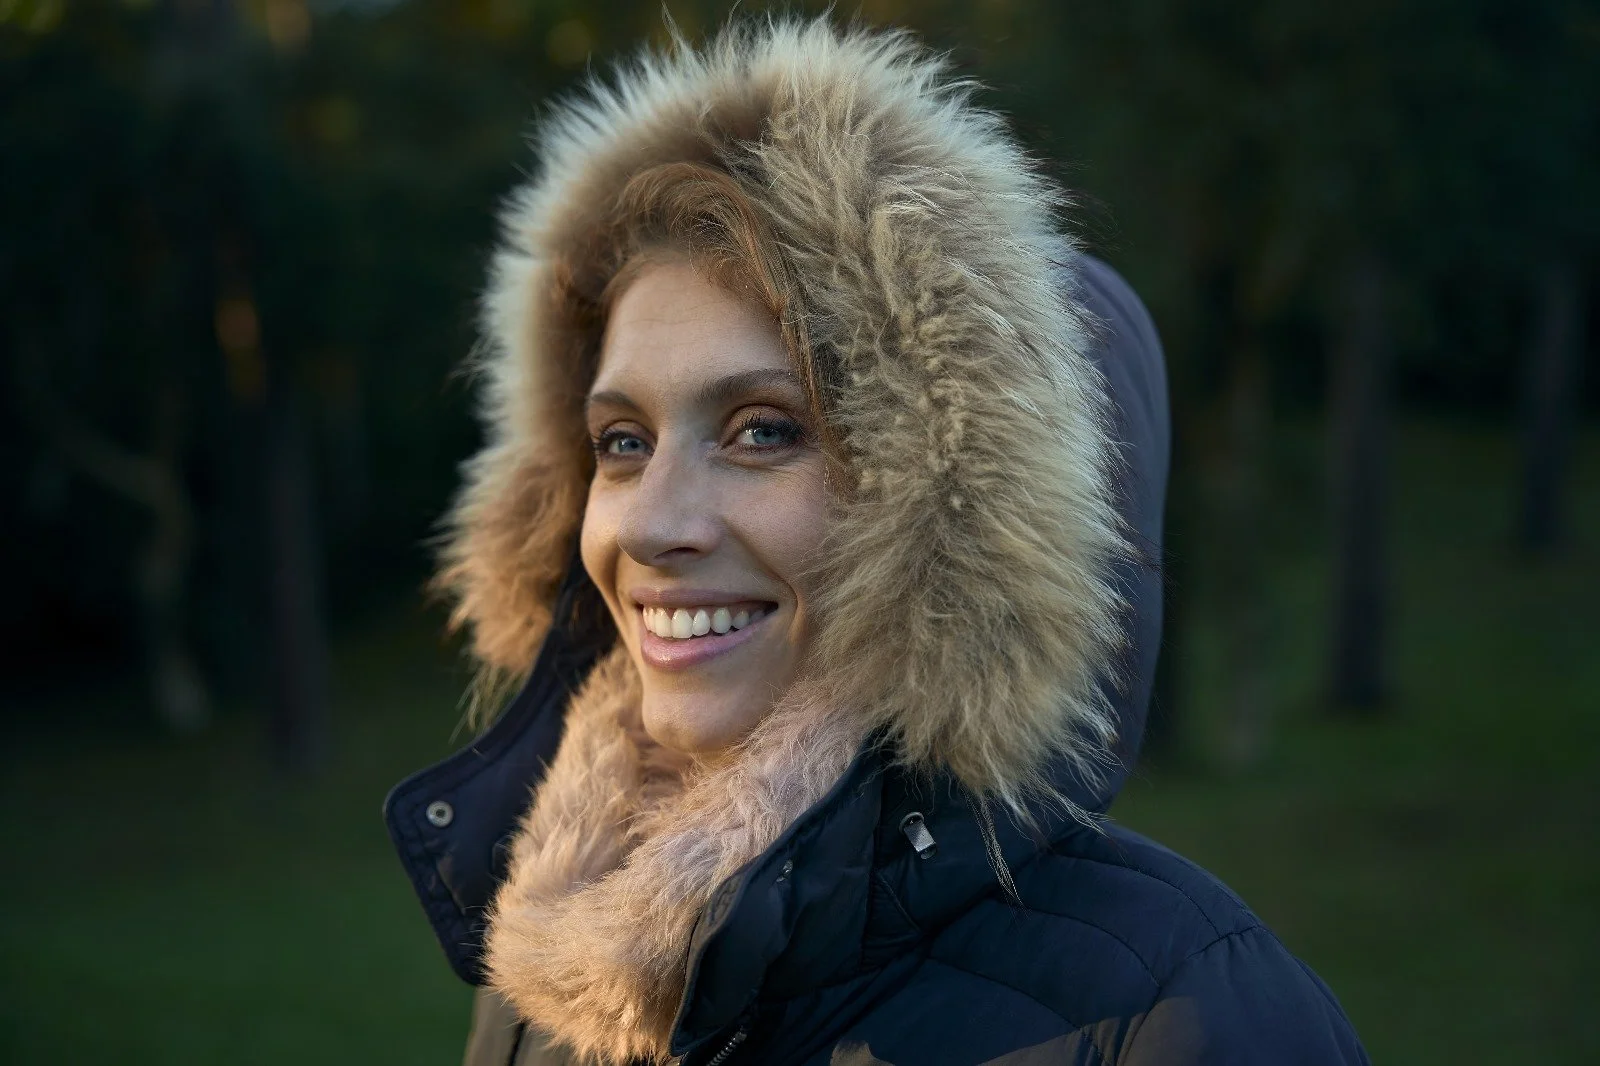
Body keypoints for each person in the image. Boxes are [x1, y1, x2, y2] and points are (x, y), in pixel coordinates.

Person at [385, 19, 1369, 1066]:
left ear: (961, 522)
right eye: (622, 443)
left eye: (764, 430)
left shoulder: (1191, 1017)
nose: (652, 524)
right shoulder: (553, 964)